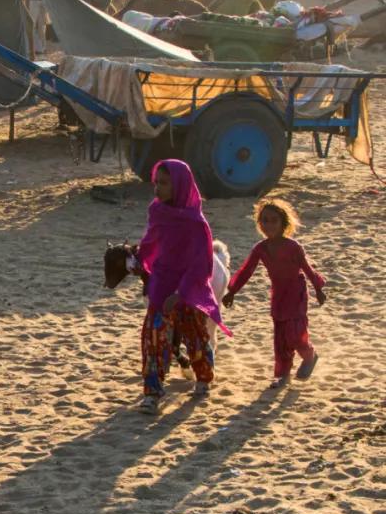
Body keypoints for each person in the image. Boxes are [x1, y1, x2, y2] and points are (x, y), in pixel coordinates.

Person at [136, 159, 231, 414]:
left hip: (189, 289)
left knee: (196, 337)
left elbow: (200, 264)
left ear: (179, 185)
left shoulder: (195, 222)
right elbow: (150, 243)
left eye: (164, 183)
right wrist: (138, 261)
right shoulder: (157, 212)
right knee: (153, 339)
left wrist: (181, 293)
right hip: (161, 285)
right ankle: (152, 393)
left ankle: (204, 378)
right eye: (156, 182)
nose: (158, 188)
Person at [222, 199, 325, 389]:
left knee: (295, 333)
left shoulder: (293, 246)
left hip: (296, 292)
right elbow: (246, 270)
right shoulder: (260, 248)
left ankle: (309, 355)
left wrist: (318, 289)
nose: (269, 225)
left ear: (283, 223)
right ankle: (282, 374)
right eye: (265, 221)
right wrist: (232, 291)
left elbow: (307, 268)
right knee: (281, 337)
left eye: (274, 220)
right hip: (278, 294)